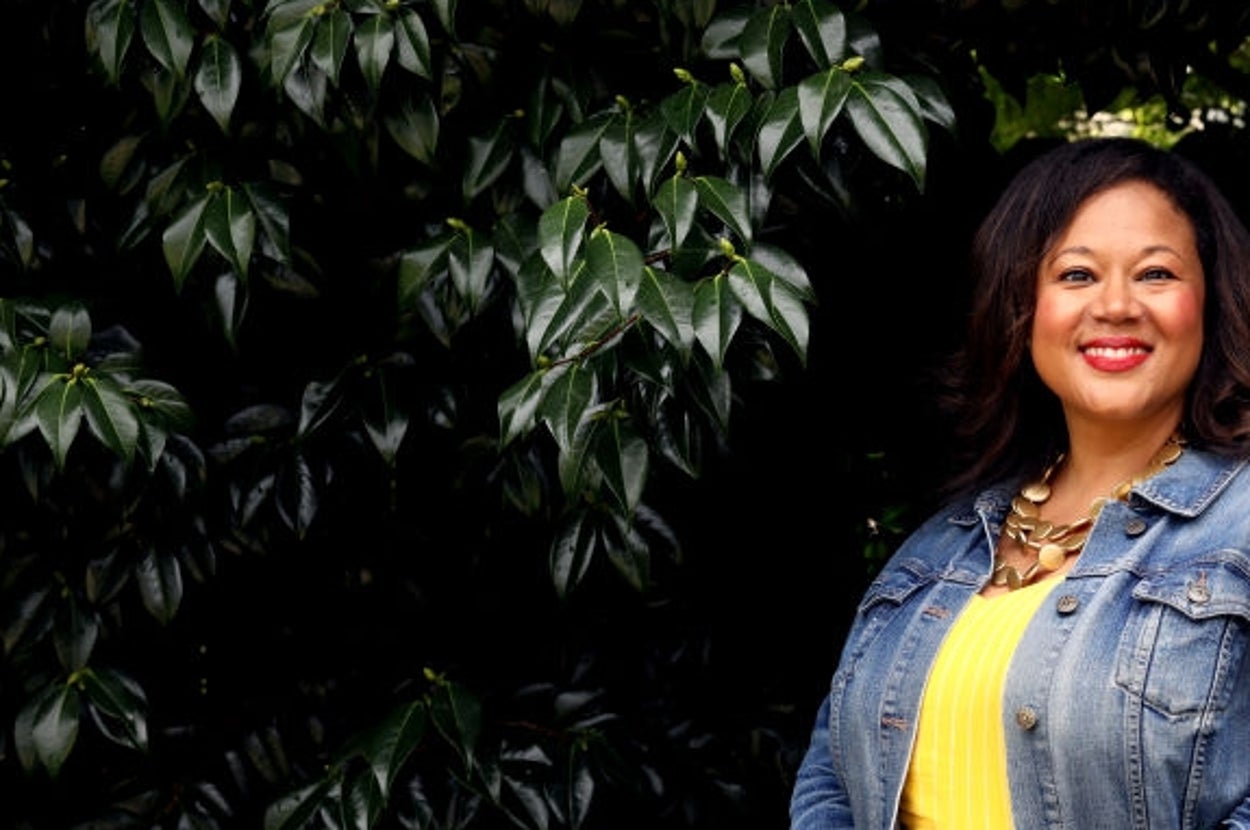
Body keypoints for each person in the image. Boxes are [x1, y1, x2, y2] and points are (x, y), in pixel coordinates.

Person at [790, 136, 1250, 829]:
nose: (1116, 305)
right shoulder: (945, 542)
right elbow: (832, 772)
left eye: (1155, 273)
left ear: (1210, 301)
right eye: (1076, 274)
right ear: (1022, 304)